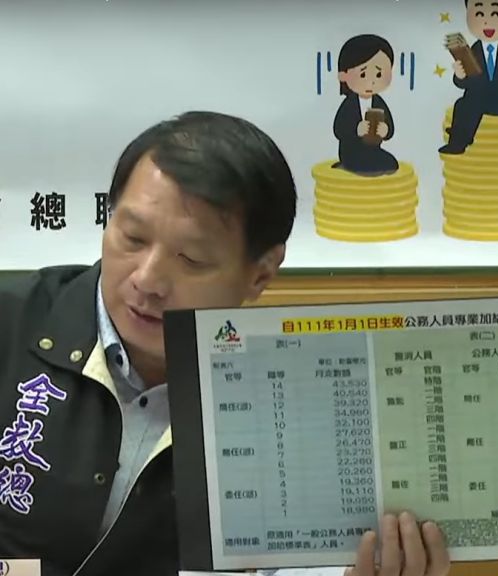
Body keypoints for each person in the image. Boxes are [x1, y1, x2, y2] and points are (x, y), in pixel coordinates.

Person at [0, 111, 450, 576]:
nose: (147, 280)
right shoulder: (13, 323)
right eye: (132, 238)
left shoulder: (295, 404)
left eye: (192, 259)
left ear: (261, 273)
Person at [439, 0, 498, 155]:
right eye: (479, 14)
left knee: (471, 106)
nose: (487, 21)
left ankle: (460, 136)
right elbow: (466, 82)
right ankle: (459, 139)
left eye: (495, 14)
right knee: (462, 105)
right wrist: (460, 75)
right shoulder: (474, 50)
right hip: (478, 99)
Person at [334, 34, 400, 176]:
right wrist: (356, 130)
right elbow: (338, 129)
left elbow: (390, 126)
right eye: (363, 75)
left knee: (391, 163)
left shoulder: (379, 103)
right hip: (351, 152)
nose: (371, 82)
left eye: (378, 75)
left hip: (373, 150)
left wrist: (386, 130)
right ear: (343, 75)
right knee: (363, 165)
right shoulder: (349, 104)